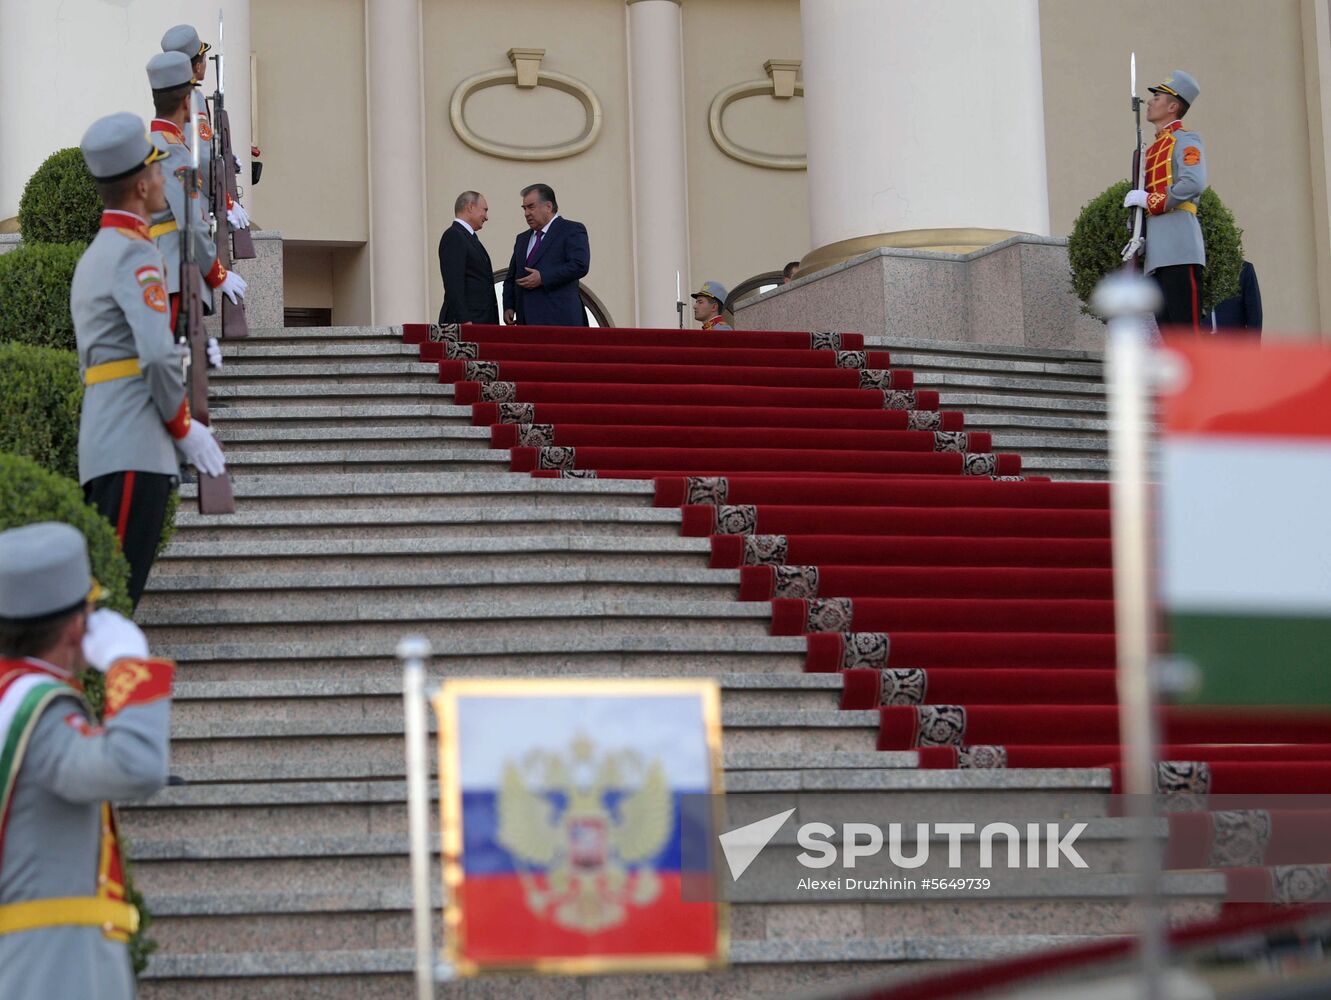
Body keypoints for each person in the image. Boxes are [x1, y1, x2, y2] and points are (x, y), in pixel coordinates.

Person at [0, 521, 175, 1000]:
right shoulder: (36, 711)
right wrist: (128, 668)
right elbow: (136, 764)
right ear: (78, 624)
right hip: (47, 970)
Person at [71, 111, 226, 607]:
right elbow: (155, 359)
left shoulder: (98, 253)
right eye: (158, 170)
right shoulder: (135, 254)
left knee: (106, 601)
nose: (164, 179)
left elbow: (127, 348)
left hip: (107, 439)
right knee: (111, 605)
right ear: (140, 186)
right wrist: (184, 428)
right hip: (135, 444)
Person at [147, 51, 247, 326]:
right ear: (187, 101)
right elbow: (191, 222)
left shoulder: (151, 143)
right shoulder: (175, 151)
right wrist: (219, 274)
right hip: (176, 273)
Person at [1123, 69, 1206, 331]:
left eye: (1157, 97)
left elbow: (1193, 182)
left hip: (1180, 246)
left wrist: (1151, 201)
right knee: (1170, 338)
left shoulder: (1186, 139)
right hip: (1157, 254)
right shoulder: (1154, 147)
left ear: (1172, 106)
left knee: (1187, 333)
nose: (1149, 102)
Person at [160, 23, 251, 236]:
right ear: (197, 66)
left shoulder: (168, 98)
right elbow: (201, 156)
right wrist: (226, 200)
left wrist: (223, 157)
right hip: (196, 205)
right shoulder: (193, 98)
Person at [502, 184, 590, 326]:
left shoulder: (572, 230)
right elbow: (512, 277)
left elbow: (579, 265)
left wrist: (543, 278)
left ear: (548, 206)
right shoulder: (522, 239)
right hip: (526, 323)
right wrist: (508, 305)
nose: (526, 213)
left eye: (531, 207)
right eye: (524, 208)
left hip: (560, 320)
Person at [438, 191, 498, 325]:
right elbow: (453, 283)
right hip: (468, 323)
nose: (486, 217)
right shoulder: (454, 236)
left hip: (481, 322)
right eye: (485, 210)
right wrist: (464, 319)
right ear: (470, 207)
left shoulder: (469, 238)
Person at [1211, 260, 1262, 338]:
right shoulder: (1197, 269)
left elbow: (1254, 313)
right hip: (1201, 344)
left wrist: (1253, 348)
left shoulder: (1243, 269)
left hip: (1234, 343)